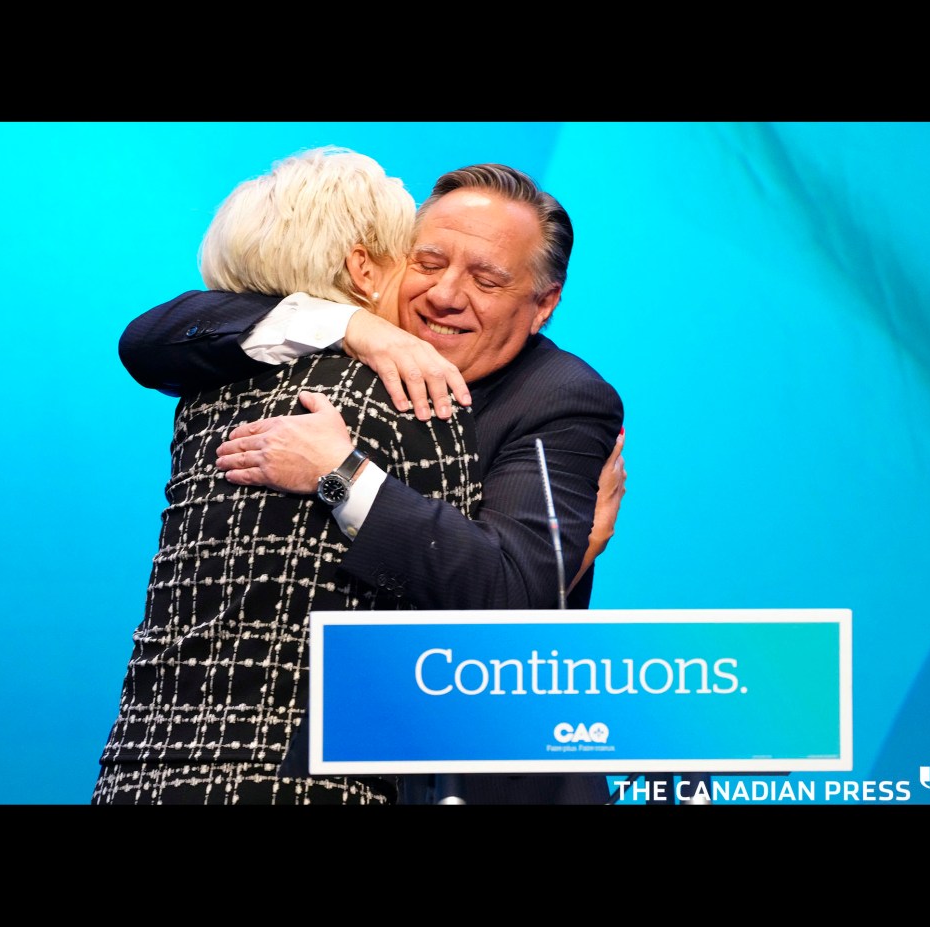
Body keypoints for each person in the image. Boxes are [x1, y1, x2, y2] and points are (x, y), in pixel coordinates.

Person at [119, 162, 626, 805]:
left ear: (543, 304)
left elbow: (515, 594)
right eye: (428, 262)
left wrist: (342, 475)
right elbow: (150, 339)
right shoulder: (338, 351)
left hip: (477, 766)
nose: (445, 294)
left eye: (486, 280)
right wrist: (350, 325)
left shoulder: (562, 398)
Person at [92, 146, 482, 805]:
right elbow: (466, 601)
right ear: (363, 267)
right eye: (415, 261)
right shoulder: (411, 392)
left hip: (143, 766)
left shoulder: (201, 396)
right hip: (306, 779)